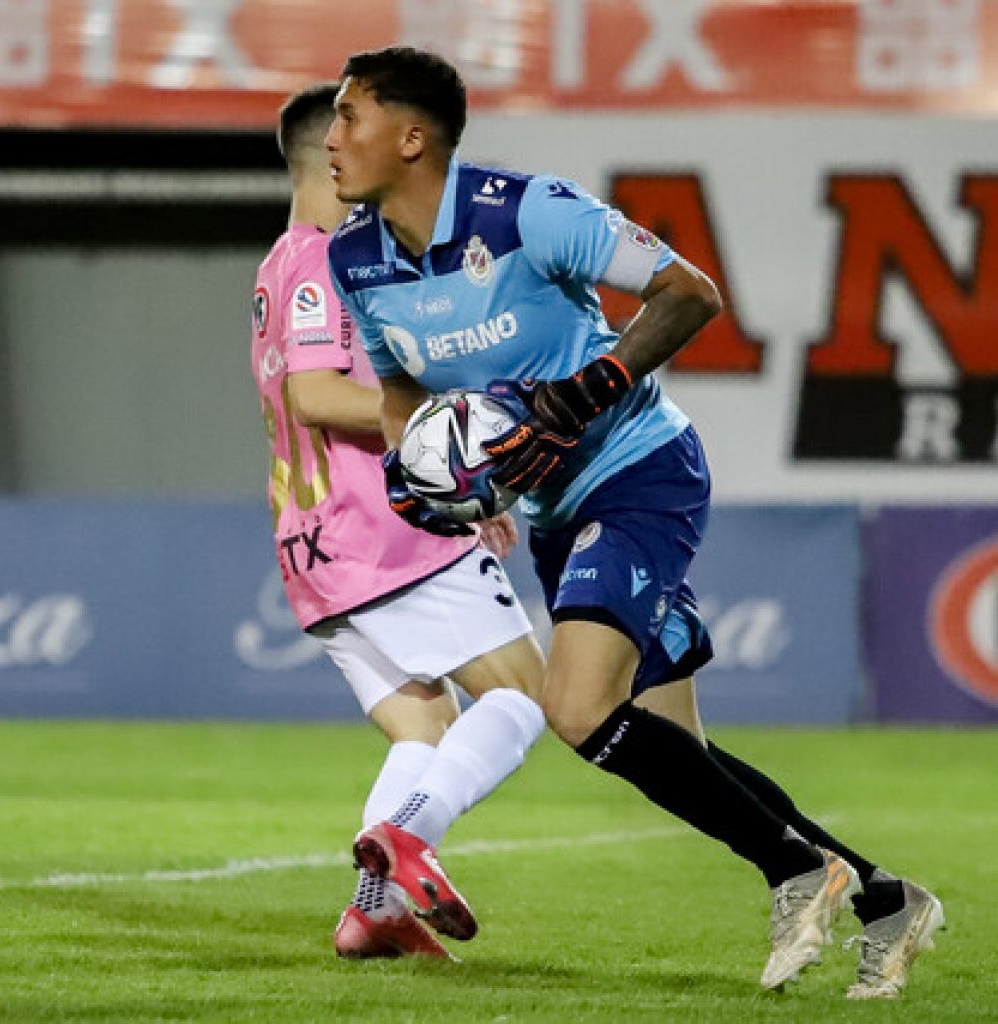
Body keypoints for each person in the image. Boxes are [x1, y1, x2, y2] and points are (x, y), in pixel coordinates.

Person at [323, 47, 944, 998]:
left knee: (575, 710)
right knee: (673, 750)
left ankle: (794, 872)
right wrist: (421, 477)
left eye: (348, 117)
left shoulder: (526, 210)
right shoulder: (355, 257)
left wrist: (584, 394)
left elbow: (691, 292)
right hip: (553, 510)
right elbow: (403, 382)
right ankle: (884, 899)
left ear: (412, 137)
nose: (331, 140)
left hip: (639, 470)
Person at [250, 83, 547, 959]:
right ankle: (414, 834)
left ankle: (376, 908)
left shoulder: (278, 263)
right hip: (384, 530)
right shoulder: (319, 259)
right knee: (526, 695)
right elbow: (314, 394)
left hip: (315, 547)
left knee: (427, 726)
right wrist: (448, 433)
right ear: (327, 156)